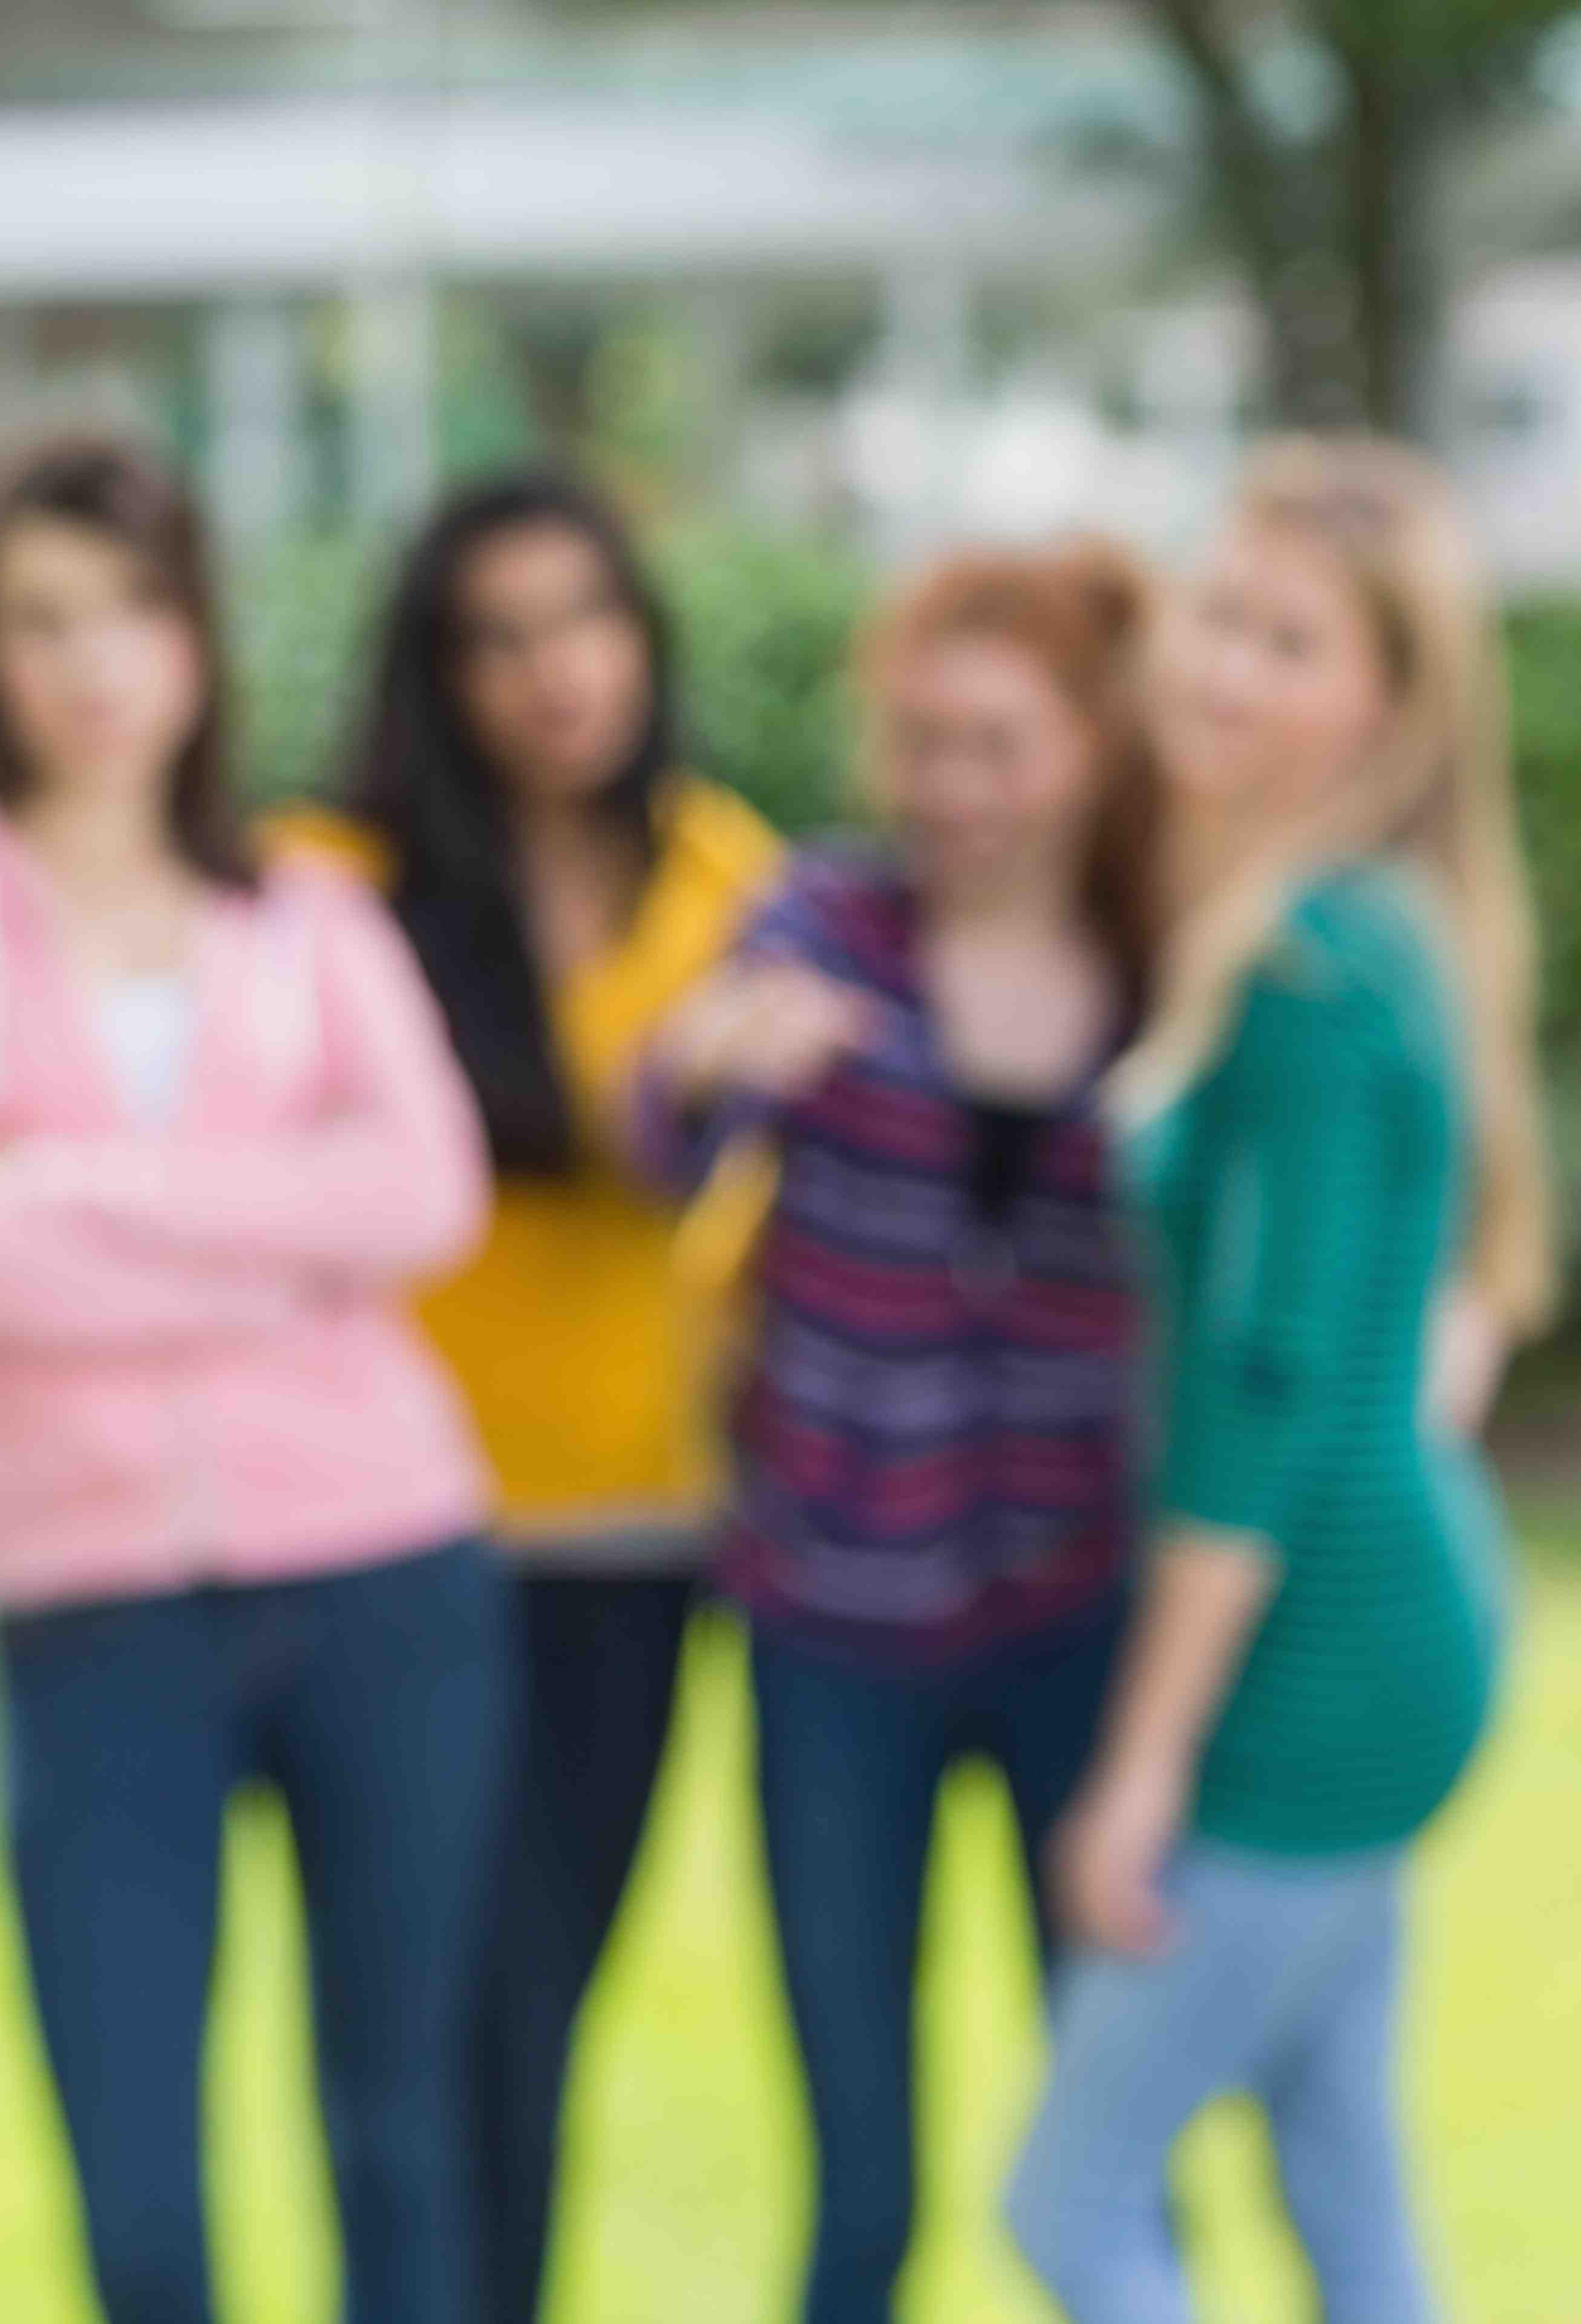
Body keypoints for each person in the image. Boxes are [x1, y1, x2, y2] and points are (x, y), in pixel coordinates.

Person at [0, 432, 504, 2324]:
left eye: (133, 609)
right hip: (95, 1607)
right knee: (136, 2210)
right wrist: (280, 1249)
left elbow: (427, 1194)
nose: (92, 660)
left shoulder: (305, 904)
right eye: (41, 617)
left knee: (402, 2143)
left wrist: (84, 1190)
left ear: (197, 634)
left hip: (389, 1571)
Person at [1008, 439, 1555, 2324]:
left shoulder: (1320, 965)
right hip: (1392, 1617)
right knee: (1333, 2164)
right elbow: (1430, 1306)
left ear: (1387, 704)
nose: (1222, 668)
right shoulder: (1344, 925)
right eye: (1216, 614)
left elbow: (1263, 1407)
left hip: (1323, 1669)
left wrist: (1143, 1771)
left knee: (1070, 2211)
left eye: (1289, 641)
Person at [270, 471, 782, 2323]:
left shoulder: (731, 874)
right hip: (390, 1542)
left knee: (543, 2016)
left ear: (642, 637)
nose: (554, 673)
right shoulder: (335, 886)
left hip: (641, 1541)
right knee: (410, 2044)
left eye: (585, 620)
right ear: (437, 674)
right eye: (498, 639)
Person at [640, 541, 1165, 2324]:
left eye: (998, 745)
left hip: (1084, 1624)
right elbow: (667, 1122)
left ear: (1095, 745)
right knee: (863, 2184)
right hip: (831, 1626)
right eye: (922, 742)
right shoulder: (824, 921)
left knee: (1111, 2164)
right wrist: (716, 1055)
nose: (952, 788)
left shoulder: (1171, 959)